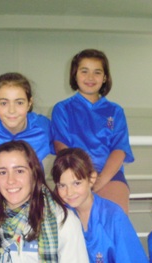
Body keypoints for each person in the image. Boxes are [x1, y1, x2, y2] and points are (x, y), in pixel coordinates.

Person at [51, 49, 133, 213]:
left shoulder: (114, 112)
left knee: (114, 222)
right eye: (84, 71)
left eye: (97, 72)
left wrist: (100, 180)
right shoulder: (63, 109)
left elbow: (119, 149)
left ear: (104, 78)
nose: (90, 78)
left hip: (109, 176)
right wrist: (81, 179)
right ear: (75, 75)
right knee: (65, 228)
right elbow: (61, 146)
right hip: (72, 175)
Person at [0, 72, 53, 213]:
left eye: (19, 102)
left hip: (29, 190)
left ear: (29, 103)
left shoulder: (43, 128)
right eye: (4, 103)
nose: (12, 110)